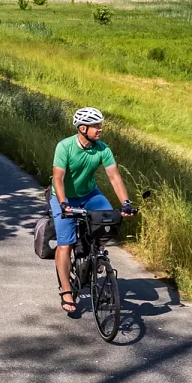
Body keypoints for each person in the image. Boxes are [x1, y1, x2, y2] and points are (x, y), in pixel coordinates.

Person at [51, 107, 134, 313]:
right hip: (64, 197)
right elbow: (58, 179)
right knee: (65, 244)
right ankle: (66, 290)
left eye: (100, 125)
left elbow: (114, 177)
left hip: (90, 195)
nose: (100, 129)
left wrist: (125, 203)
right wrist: (63, 203)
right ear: (82, 128)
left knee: (109, 220)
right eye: (96, 126)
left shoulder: (103, 149)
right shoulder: (65, 147)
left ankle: (93, 254)